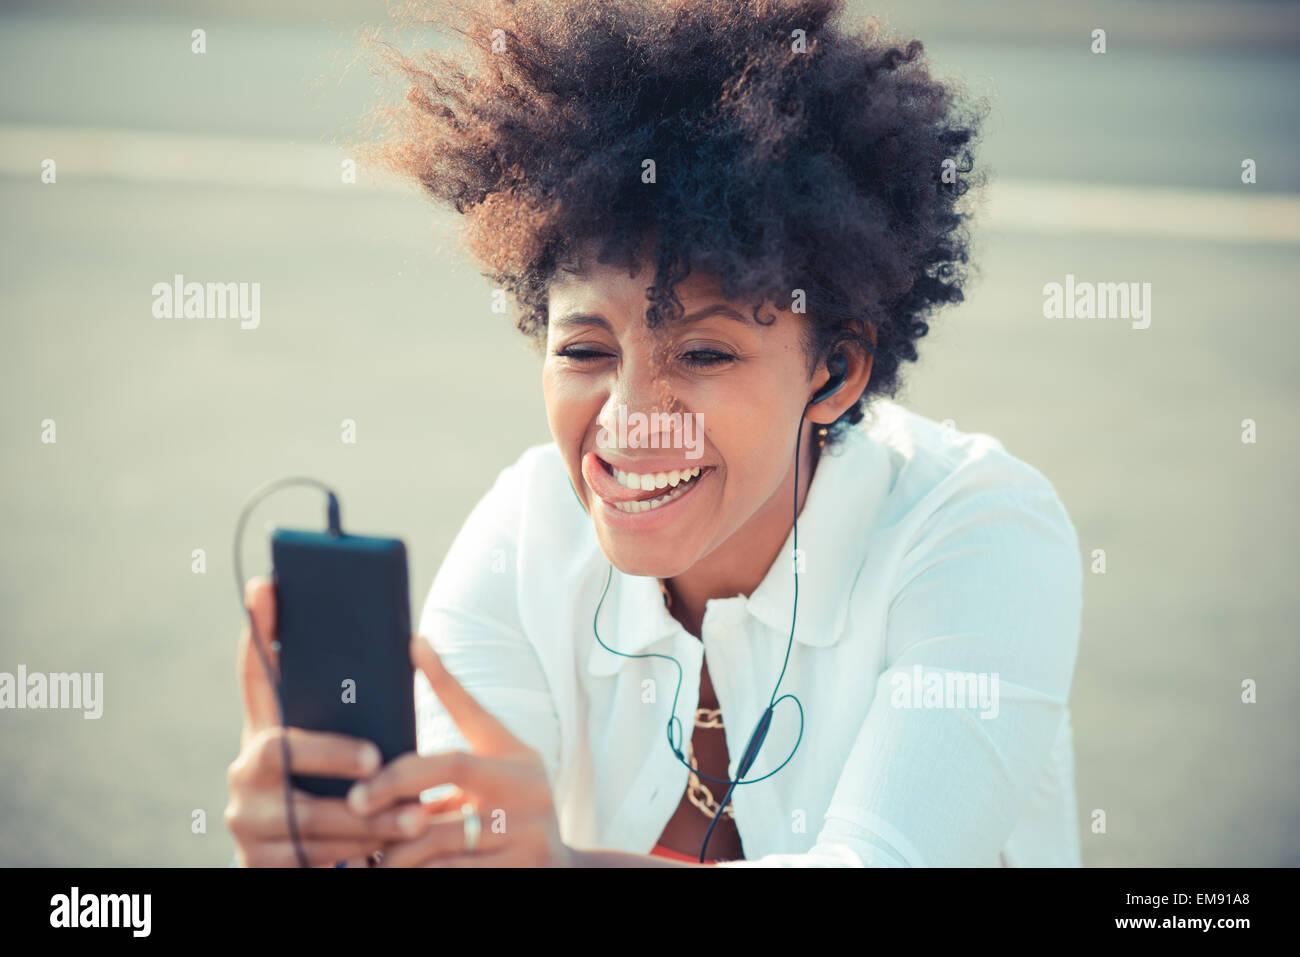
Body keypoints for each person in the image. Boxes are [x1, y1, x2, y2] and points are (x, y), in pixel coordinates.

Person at [225, 0, 1082, 867]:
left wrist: (558, 862)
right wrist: (328, 851)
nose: (629, 416)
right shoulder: (526, 532)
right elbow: (450, 842)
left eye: (704, 352)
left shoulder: (983, 529)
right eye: (586, 349)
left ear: (835, 373)